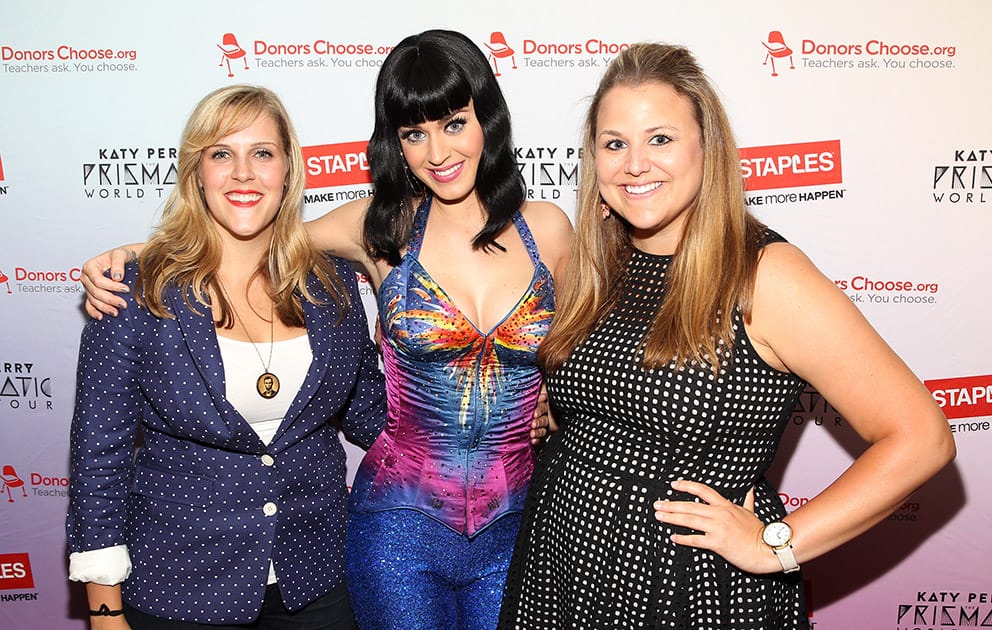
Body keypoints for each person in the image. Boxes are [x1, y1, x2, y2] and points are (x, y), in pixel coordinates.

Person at [80, 30, 572, 630]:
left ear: (486, 120)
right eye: (414, 132)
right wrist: (144, 256)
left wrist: (550, 408)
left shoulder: (548, 229)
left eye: (453, 122)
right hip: (395, 528)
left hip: (512, 524)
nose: (436, 151)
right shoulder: (377, 227)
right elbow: (254, 229)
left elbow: (582, 353)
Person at [497, 43, 955, 629]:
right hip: (559, 563)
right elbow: (617, 400)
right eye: (615, 144)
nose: (635, 164)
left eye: (659, 139)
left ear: (706, 148)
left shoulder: (763, 275)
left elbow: (921, 437)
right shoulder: (595, 264)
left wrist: (775, 544)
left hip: (685, 587)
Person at [67, 85, 387, 629]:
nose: (243, 173)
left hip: (316, 582)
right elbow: (100, 460)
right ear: (197, 172)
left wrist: (487, 418)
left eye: (262, 153)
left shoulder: (332, 286)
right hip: (180, 589)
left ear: (288, 169)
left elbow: (375, 420)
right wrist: (103, 612)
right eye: (222, 153)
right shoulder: (135, 293)